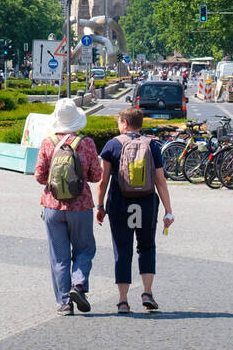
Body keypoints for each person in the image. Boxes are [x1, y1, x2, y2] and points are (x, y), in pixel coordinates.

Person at [96, 107, 174, 313]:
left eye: (119, 122)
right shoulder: (153, 145)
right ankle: (147, 292)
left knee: (122, 250)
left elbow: (103, 181)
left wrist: (100, 206)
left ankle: (123, 300)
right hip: (147, 203)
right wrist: (168, 210)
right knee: (147, 247)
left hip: (119, 204)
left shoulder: (112, 145)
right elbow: (160, 180)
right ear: (140, 125)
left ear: (124, 123)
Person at [34, 98, 103, 316]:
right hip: (81, 206)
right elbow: (96, 176)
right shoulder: (87, 143)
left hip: (53, 207)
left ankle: (64, 303)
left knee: (59, 255)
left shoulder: (48, 142)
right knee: (85, 249)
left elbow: (39, 176)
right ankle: (79, 285)